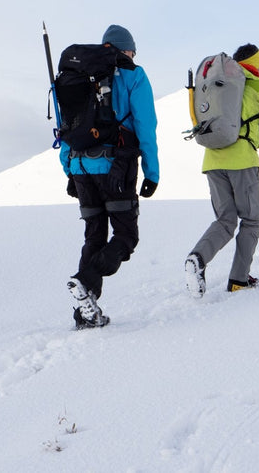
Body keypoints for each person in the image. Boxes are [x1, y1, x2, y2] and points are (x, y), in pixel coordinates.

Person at [61, 24, 159, 329]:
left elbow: (67, 126)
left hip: (79, 167)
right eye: (132, 50)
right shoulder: (133, 75)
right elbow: (145, 125)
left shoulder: (76, 76)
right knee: (126, 237)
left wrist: (69, 170)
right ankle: (85, 282)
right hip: (116, 166)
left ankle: (84, 313)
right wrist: (152, 172)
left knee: (94, 237)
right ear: (125, 49)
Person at [184, 43, 259, 297]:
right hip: (243, 163)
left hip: (213, 161)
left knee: (225, 220)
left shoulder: (219, 86)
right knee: (250, 221)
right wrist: (255, 141)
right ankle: (239, 280)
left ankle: (198, 257)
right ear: (257, 65)